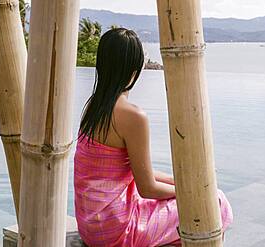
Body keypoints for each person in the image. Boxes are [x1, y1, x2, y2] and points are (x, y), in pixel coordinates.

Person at [73, 28, 233, 247]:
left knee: (197, 204)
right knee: (216, 203)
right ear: (134, 70)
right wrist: (190, 195)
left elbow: (132, 171)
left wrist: (180, 183)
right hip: (116, 231)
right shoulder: (132, 116)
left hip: (91, 226)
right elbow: (147, 188)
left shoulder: (92, 107)